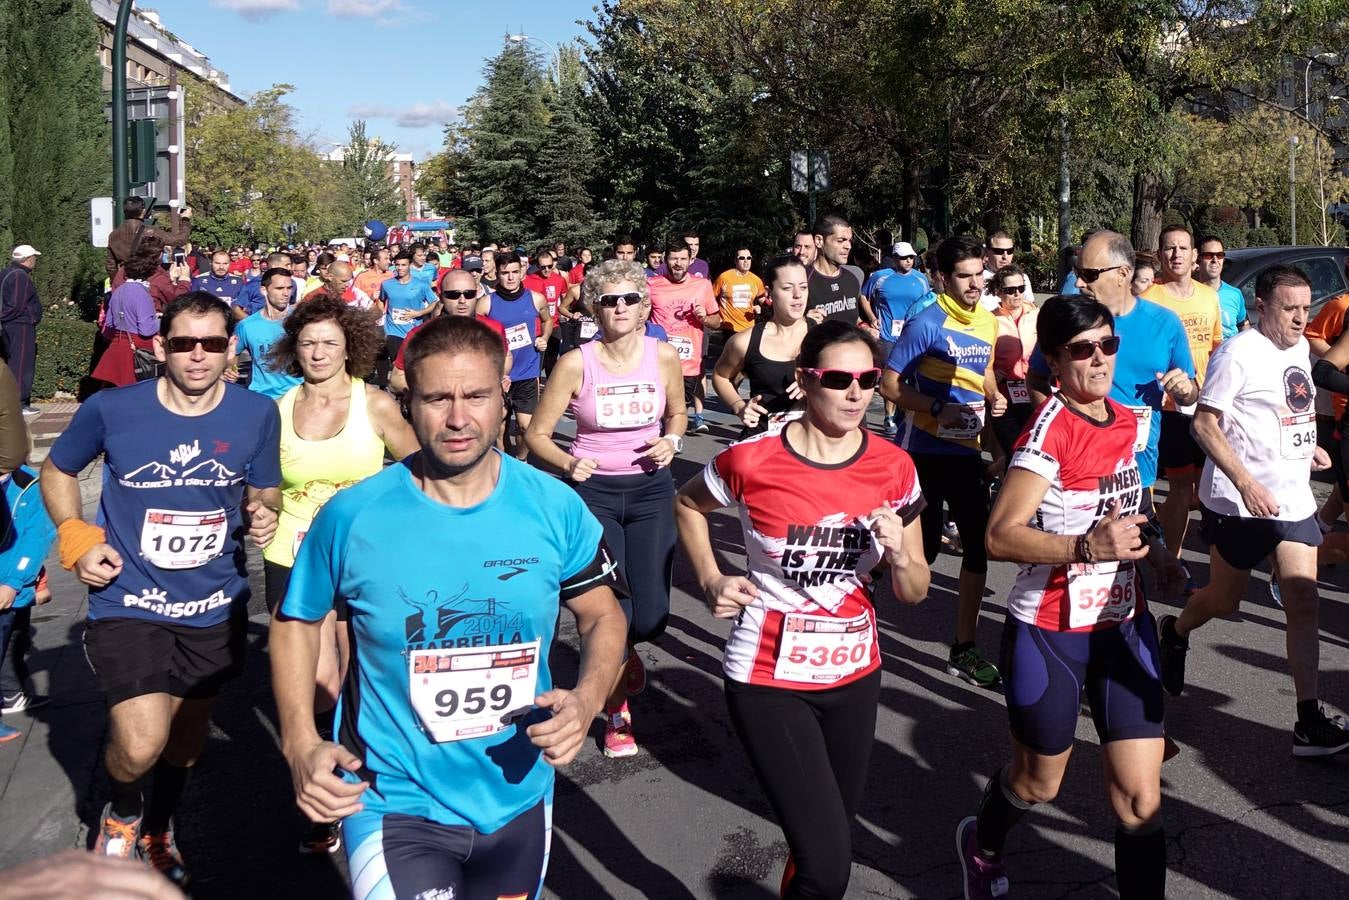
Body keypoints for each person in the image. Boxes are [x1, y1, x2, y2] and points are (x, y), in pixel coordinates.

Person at [271, 314, 628, 900]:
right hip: (394, 799)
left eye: (475, 396)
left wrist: (589, 699)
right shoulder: (352, 515)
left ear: (503, 393)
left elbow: (602, 615)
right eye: (437, 398)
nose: (459, 418)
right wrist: (299, 742)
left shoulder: (555, 507)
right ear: (407, 401)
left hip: (518, 794)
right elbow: (296, 623)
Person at [676, 321, 929, 900]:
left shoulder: (894, 467)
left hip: (855, 675)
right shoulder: (753, 461)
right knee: (828, 866)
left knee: (824, 842)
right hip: (768, 677)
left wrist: (898, 555)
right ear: (803, 381)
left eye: (867, 379)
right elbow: (686, 503)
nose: (855, 393)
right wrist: (712, 576)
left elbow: (913, 591)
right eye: (837, 379)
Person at [41, 292, 281, 886]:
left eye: (212, 344)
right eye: (182, 343)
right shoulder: (115, 410)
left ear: (233, 350)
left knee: (184, 743)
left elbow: (265, 492)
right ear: (159, 346)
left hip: (213, 605)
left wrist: (262, 512)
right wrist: (75, 536)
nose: (197, 356)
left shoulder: (256, 414)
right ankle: (122, 814)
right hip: (130, 601)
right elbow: (57, 468)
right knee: (142, 741)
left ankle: (158, 826)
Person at [960, 295, 1167, 900]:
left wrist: (1158, 551)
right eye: (1083, 350)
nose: (1099, 358)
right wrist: (1085, 547)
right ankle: (982, 844)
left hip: (1125, 625)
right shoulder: (1050, 432)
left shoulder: (1125, 418)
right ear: (1054, 360)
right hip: (1050, 630)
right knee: (1039, 783)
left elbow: (1128, 503)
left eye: (1108, 344)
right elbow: (1000, 536)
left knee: (1140, 800)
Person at [1157, 265, 1349, 757]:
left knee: (1303, 599)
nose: (1300, 318)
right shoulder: (1237, 354)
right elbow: (1204, 424)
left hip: (1292, 498)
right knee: (1224, 600)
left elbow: (1287, 408)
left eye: (1306, 308)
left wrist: (1307, 450)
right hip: (1238, 502)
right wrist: (1245, 481)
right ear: (1261, 306)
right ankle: (1175, 632)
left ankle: (1308, 720)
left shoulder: (1301, 348)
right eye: (1290, 309)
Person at [261, 296, 417, 853]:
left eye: (330, 342)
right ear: (292, 350)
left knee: (361, 680)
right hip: (293, 555)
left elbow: (419, 467)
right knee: (321, 686)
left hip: (363, 561)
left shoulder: (373, 404)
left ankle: (355, 792)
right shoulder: (276, 411)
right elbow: (263, 485)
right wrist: (259, 508)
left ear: (350, 347)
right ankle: (322, 776)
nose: (319, 352)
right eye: (308, 343)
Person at [525, 260, 686, 759]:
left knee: (652, 615)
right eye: (610, 300)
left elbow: (677, 411)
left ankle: (626, 653)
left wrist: (673, 440)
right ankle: (617, 711)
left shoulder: (662, 357)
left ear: (643, 307)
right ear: (594, 307)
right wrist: (569, 462)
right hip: (594, 496)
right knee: (614, 610)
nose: (620, 308)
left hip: (651, 491)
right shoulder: (577, 362)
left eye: (629, 299)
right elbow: (537, 435)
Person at [881, 234, 1003, 687]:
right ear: (943, 278)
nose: (974, 284)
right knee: (924, 552)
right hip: (925, 453)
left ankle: (964, 647)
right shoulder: (927, 323)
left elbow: (985, 367)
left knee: (978, 545)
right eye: (964, 276)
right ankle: (863, 597)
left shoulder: (988, 321)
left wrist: (992, 395)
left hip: (966, 451)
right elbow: (889, 385)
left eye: (979, 274)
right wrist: (935, 408)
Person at [1143, 225, 1223, 560]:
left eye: (1183, 248)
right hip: (1168, 407)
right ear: (1160, 255)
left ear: (1194, 257)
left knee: (1207, 489)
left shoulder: (1209, 297)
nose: (1176, 254)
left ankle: (1151, 525)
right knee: (1179, 488)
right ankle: (1173, 562)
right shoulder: (1147, 300)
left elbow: (1217, 345)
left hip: (1205, 402)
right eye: (1169, 248)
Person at [712, 255, 811, 439]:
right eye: (787, 288)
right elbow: (720, 376)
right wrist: (739, 406)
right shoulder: (746, 341)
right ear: (769, 292)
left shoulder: (825, 337)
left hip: (811, 444)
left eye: (803, 287)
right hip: (762, 442)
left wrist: (815, 386)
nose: (798, 294)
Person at [0, 461, 57, 741]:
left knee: (15, 639)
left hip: (13, 584)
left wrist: (19, 581)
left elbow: (38, 535)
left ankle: (11, 694)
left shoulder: (28, 482)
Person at [477, 253, 552, 459]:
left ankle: (521, 460)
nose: (510, 278)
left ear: (522, 273)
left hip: (527, 372)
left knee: (525, 427)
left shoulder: (536, 299)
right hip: (498, 375)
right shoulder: (485, 304)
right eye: (504, 273)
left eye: (514, 272)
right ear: (497, 274)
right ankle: (505, 465)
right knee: (500, 429)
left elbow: (548, 320)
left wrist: (543, 337)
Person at [390, 269, 510, 395]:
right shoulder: (420, 334)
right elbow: (396, 378)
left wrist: (500, 376)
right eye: (453, 295)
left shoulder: (494, 328)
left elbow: (507, 356)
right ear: (441, 297)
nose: (462, 300)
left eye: (469, 294)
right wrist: (433, 389)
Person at [648, 239, 720, 434]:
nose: (678, 263)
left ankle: (669, 442)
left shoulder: (702, 285)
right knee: (659, 406)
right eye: (673, 259)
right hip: (658, 358)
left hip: (688, 361)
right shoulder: (652, 285)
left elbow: (717, 321)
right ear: (666, 260)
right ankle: (664, 442)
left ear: (690, 260)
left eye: (682, 258)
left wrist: (704, 318)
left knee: (679, 408)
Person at [866, 241, 935, 434]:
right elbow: (863, 296)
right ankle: (889, 417)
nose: (908, 261)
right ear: (895, 259)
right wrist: (872, 318)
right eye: (904, 257)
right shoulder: (880, 277)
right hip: (889, 335)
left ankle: (903, 415)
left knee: (911, 377)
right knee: (893, 376)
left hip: (913, 335)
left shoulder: (921, 279)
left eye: (911, 257)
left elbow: (928, 302)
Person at [92, 247, 163, 388]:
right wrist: (161, 320)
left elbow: (110, 324)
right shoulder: (142, 293)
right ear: (149, 272)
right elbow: (146, 329)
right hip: (138, 349)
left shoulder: (118, 291)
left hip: (117, 346)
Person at [989, 265, 1039, 458]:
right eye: (1010, 290)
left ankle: (990, 475)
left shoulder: (1037, 315)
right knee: (1013, 451)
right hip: (1004, 395)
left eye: (1021, 288)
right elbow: (983, 358)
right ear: (998, 292)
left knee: (1031, 451)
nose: (1017, 294)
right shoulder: (990, 320)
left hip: (1034, 391)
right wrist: (992, 371)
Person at [228, 267, 302, 400]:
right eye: (279, 288)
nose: (286, 293)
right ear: (264, 290)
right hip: (262, 396)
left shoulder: (301, 321)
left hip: (296, 396)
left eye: (289, 288)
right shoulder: (247, 326)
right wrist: (231, 368)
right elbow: (233, 354)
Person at [379, 251, 440, 367]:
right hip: (393, 331)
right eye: (397, 265)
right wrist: (380, 318)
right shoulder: (386, 284)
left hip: (413, 330)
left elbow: (434, 302)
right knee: (397, 365)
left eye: (403, 265)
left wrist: (419, 313)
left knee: (412, 366)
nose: (400, 268)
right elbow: (381, 301)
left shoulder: (421, 285)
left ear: (410, 265)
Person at [807, 214, 869, 329]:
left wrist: (865, 328)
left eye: (849, 241)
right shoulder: (802, 280)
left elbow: (853, 318)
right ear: (819, 241)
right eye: (841, 240)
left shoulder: (853, 278)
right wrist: (803, 322)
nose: (848, 246)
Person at [105, 197, 191, 279]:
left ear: (124, 212)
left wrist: (117, 281)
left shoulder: (113, 235)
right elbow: (180, 240)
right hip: (148, 277)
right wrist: (185, 219)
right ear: (143, 211)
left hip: (124, 277)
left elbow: (110, 265)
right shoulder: (151, 231)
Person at [1, 245, 42, 413]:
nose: (35, 260)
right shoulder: (20, 276)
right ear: (27, 259)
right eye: (34, 257)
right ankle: (19, 403)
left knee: (13, 362)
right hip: (19, 325)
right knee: (21, 364)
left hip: (11, 325)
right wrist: (31, 317)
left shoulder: (6, 272)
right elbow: (16, 305)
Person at [1195, 236, 1248, 340]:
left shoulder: (1235, 294)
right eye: (1208, 255)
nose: (1215, 260)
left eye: (1219, 255)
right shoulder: (1188, 294)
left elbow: (1243, 327)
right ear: (1198, 259)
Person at [711, 247, 767, 338]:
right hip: (729, 327)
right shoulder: (724, 277)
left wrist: (761, 306)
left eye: (749, 258)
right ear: (735, 261)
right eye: (742, 258)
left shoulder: (756, 280)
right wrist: (716, 316)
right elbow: (710, 298)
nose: (746, 261)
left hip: (749, 328)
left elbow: (763, 301)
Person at [231, 252, 293, 320]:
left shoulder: (292, 284)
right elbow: (236, 309)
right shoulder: (254, 284)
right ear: (274, 266)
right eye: (287, 265)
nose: (290, 268)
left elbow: (292, 305)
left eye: (290, 265)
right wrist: (252, 323)